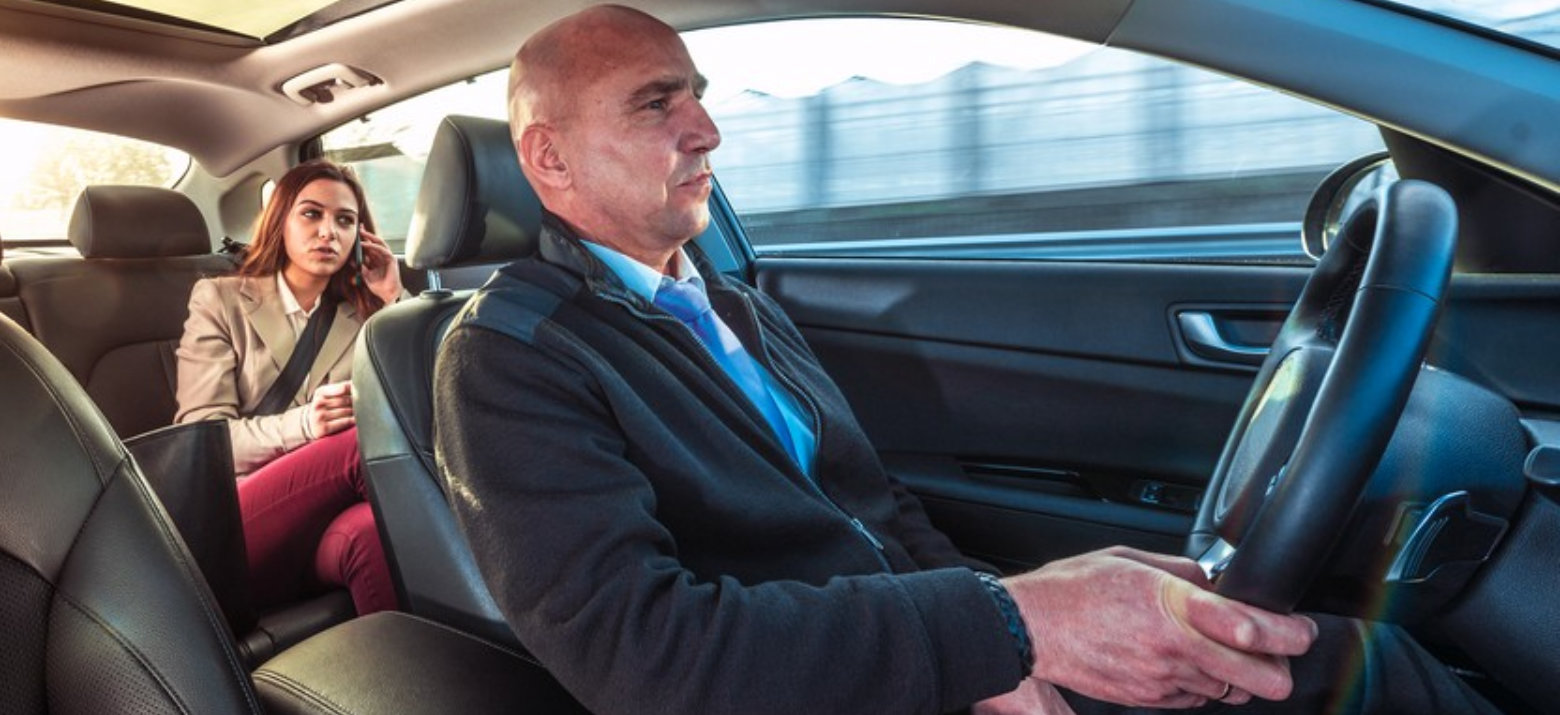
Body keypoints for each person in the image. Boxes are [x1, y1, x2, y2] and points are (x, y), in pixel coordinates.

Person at [432, 6, 1501, 715]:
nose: (707, 127)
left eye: (699, 93)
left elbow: (878, 506)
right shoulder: (511, 359)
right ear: (549, 158)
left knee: (1329, 655)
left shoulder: (735, 304)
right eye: (656, 103)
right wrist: (1001, 631)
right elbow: (642, 653)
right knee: (1337, 678)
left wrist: (1005, 625)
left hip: (924, 662)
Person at [175, 159, 403, 616]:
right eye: (311, 214)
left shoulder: (364, 313)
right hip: (235, 522)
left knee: (367, 532)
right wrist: (306, 425)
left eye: (345, 220)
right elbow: (204, 442)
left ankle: (417, 676)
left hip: (320, 519)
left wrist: (395, 300)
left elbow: (418, 400)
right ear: (281, 220)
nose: (328, 232)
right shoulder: (221, 300)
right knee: (364, 443)